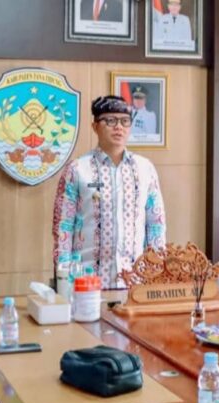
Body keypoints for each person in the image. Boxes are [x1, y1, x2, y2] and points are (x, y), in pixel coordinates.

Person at [53, 96, 167, 288]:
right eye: (110, 121)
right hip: (86, 283)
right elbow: (63, 228)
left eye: (124, 121)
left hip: (135, 284)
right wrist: (64, 281)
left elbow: (156, 226)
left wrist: (155, 277)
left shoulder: (145, 169)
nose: (119, 127)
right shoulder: (77, 169)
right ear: (95, 126)